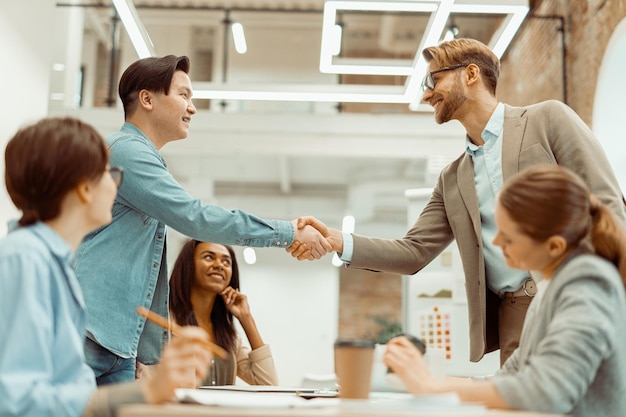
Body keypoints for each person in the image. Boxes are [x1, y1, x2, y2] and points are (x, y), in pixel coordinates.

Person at [292, 37, 626, 365]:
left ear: (470, 74)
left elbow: (608, 204)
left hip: (576, 295)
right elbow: (414, 252)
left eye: (432, 80)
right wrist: (338, 240)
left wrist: (607, 290)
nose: (425, 94)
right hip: (516, 318)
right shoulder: (453, 179)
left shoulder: (547, 120)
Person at [72, 55, 331, 385]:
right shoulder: (127, 152)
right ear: (147, 99)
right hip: (88, 334)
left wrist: (135, 347)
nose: (192, 108)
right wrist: (287, 233)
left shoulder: (141, 157)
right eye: (184, 95)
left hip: (115, 345)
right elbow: (195, 218)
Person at [0, 117, 214, 417]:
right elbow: (18, 403)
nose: (115, 185)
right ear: (84, 188)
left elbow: (77, 397)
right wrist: (150, 390)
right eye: (109, 174)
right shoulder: (25, 260)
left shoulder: (54, 267)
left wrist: (158, 386)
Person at [383, 164, 626, 417]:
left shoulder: (588, 283)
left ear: (554, 246)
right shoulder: (553, 285)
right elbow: (513, 377)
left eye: (508, 237)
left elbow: (546, 393)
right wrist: (428, 378)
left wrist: (432, 388)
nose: (497, 243)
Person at [169, 239, 278, 386]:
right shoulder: (165, 322)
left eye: (226, 262)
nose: (219, 265)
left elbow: (268, 385)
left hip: (222, 409)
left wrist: (246, 319)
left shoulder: (229, 336)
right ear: (188, 265)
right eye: (209, 257)